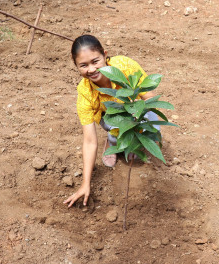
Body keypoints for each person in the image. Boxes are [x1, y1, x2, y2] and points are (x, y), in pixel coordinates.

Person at [64, 35, 159, 208]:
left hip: (138, 110)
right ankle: (112, 141)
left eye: (95, 61)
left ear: (105, 55)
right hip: (112, 118)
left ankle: (132, 141)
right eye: (83, 65)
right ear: (76, 66)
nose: (91, 69)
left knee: (153, 127)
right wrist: (86, 183)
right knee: (117, 132)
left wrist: (137, 121)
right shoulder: (85, 93)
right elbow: (90, 141)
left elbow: (149, 97)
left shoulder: (125, 66)